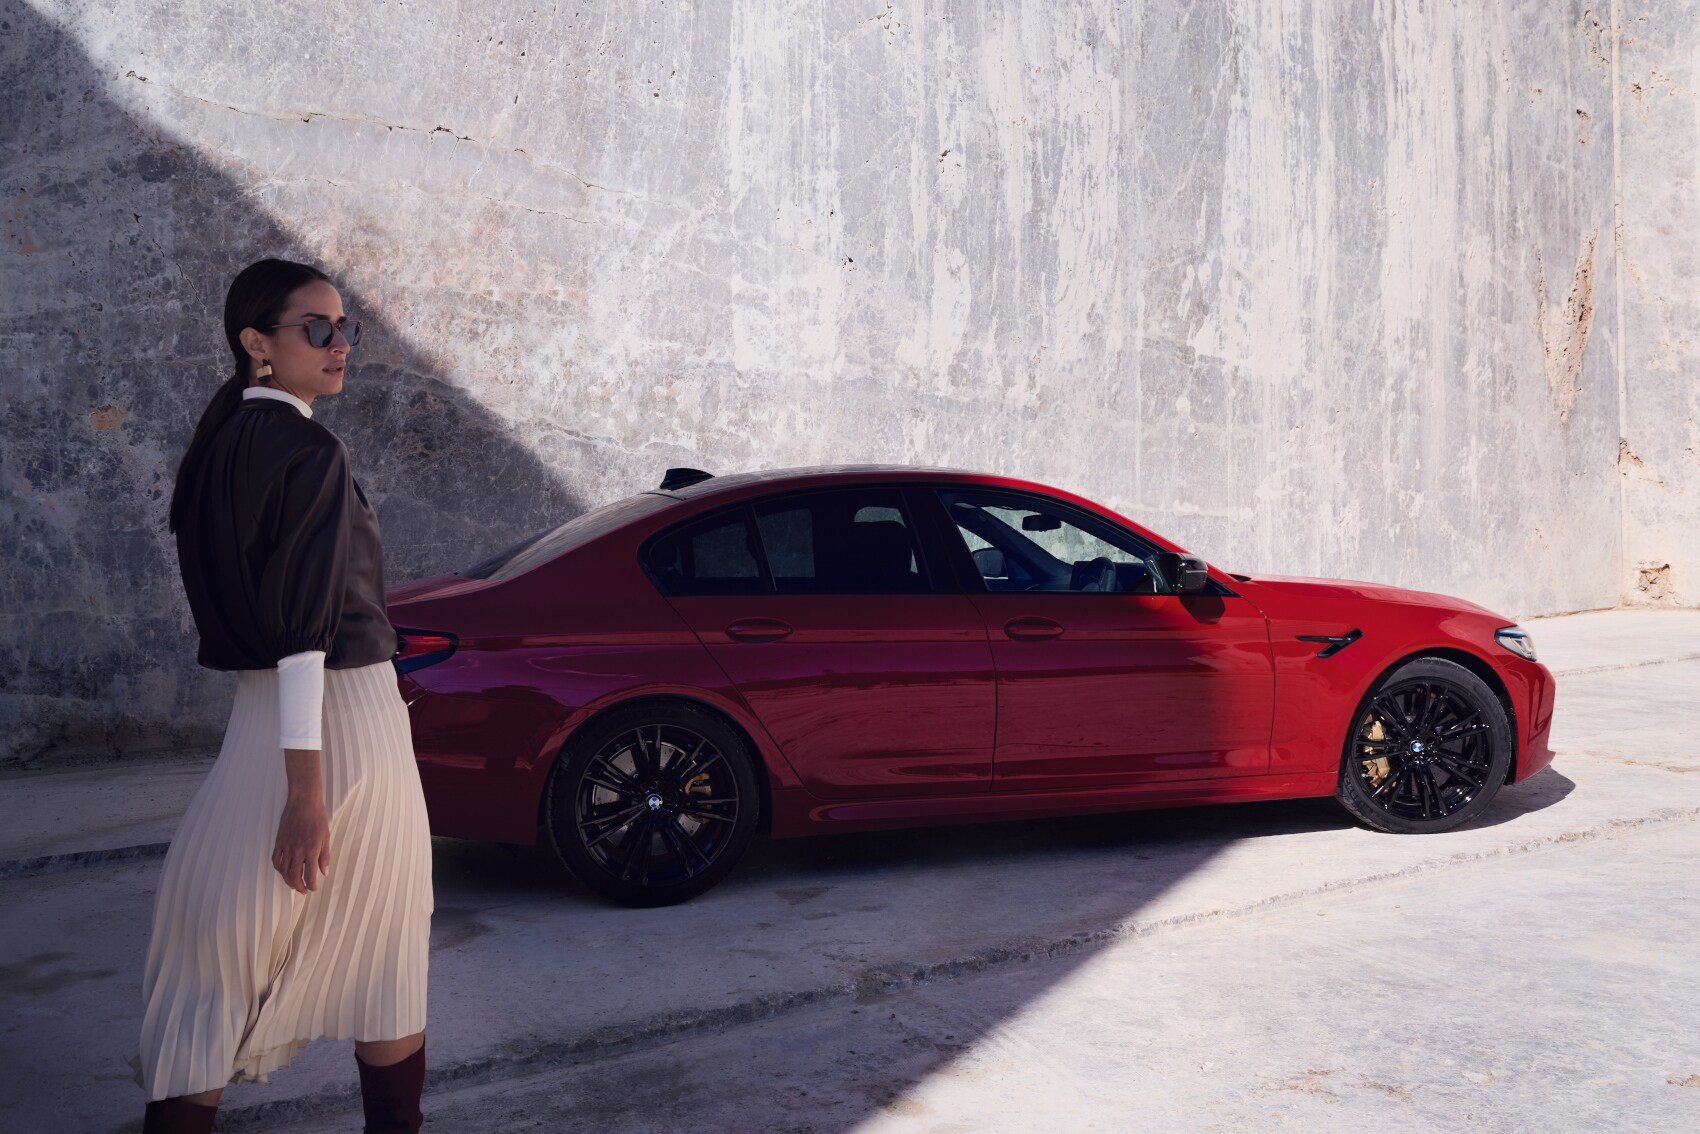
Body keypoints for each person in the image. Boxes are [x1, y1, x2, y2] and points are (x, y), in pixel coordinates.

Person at [136, 258, 433, 1133]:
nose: (340, 344)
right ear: (256, 344)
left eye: (347, 327)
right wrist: (306, 794)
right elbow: (303, 636)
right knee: (381, 958)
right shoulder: (306, 450)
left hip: (259, 724)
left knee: (206, 971)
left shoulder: (216, 449)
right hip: (343, 728)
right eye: (317, 328)